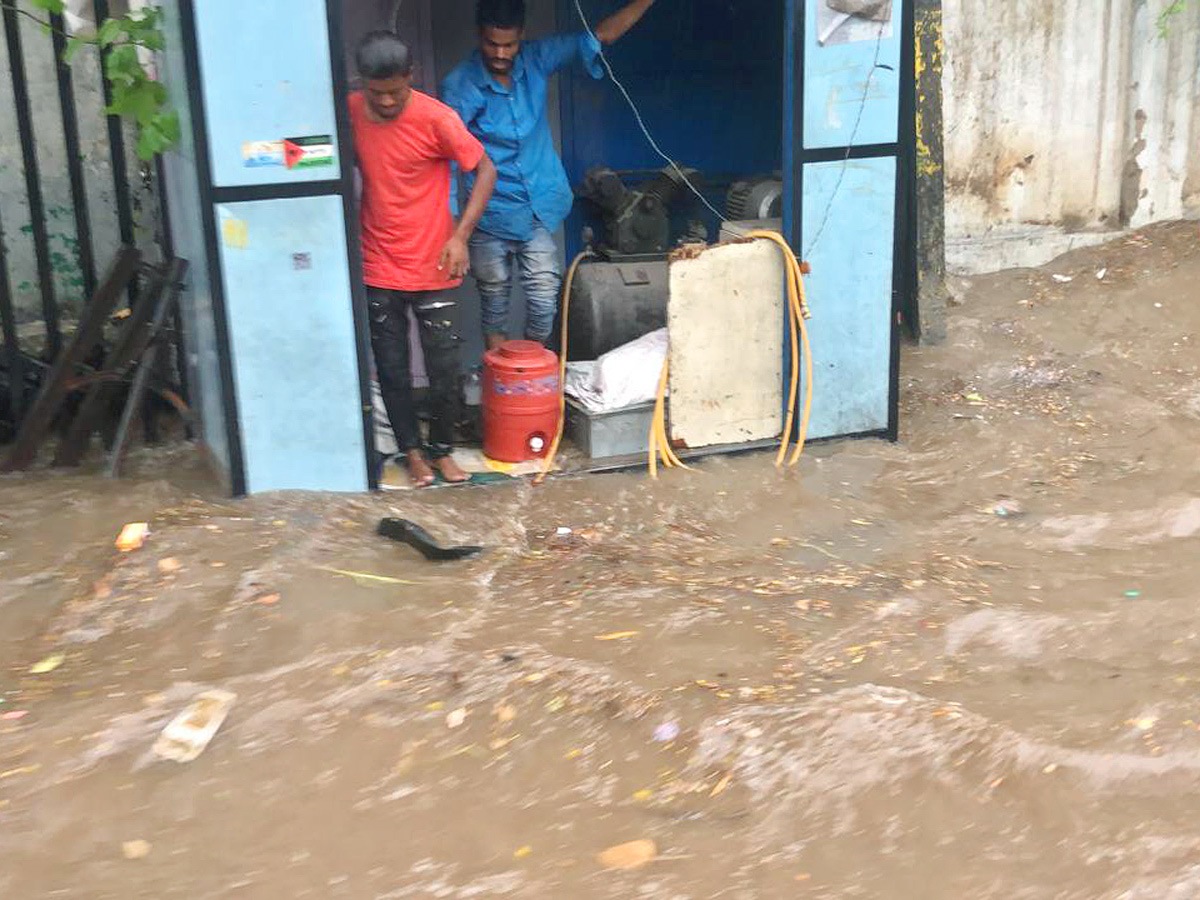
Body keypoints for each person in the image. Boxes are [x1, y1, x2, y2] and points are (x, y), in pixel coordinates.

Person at [441, 0, 657, 351]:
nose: (500, 53)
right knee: (494, 305)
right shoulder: (460, 86)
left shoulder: (536, 58)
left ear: (521, 36)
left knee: (544, 298)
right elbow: (448, 160)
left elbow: (601, 34)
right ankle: (504, 386)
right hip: (489, 215)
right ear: (479, 35)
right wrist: (453, 231)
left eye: (508, 44)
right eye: (492, 43)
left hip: (538, 207)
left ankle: (531, 373)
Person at [350, 32, 498, 487]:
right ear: (364, 84)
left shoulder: (438, 118)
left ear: (410, 78)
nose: (388, 101)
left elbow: (486, 170)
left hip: (436, 264)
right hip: (378, 263)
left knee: (444, 370)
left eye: (396, 91)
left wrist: (460, 237)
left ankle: (444, 450)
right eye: (378, 93)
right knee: (392, 368)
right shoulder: (351, 111)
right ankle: (412, 453)